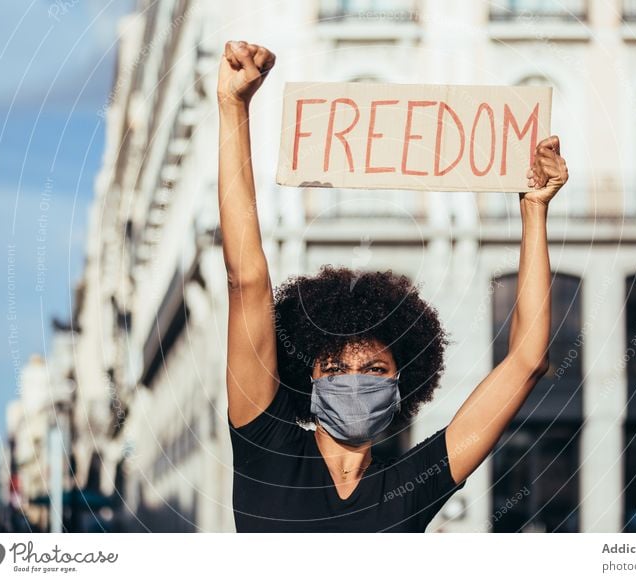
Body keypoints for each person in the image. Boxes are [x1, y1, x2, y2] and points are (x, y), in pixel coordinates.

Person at [217, 40, 569, 532]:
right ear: (308, 378)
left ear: (404, 383)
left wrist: (534, 210)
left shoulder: (413, 483)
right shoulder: (266, 452)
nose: (355, 380)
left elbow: (527, 361)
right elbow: (247, 282)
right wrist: (234, 107)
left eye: (375, 367)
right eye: (336, 366)